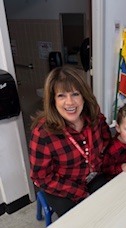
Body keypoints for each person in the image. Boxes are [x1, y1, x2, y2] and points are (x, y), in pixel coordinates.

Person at [29, 65, 111, 217]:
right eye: (61, 96)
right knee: (78, 220)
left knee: (111, 206)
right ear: (53, 101)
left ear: (84, 96)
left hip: (94, 175)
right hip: (63, 187)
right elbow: (41, 177)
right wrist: (80, 193)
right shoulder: (42, 133)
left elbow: (108, 145)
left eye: (75, 94)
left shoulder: (95, 117)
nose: (70, 102)